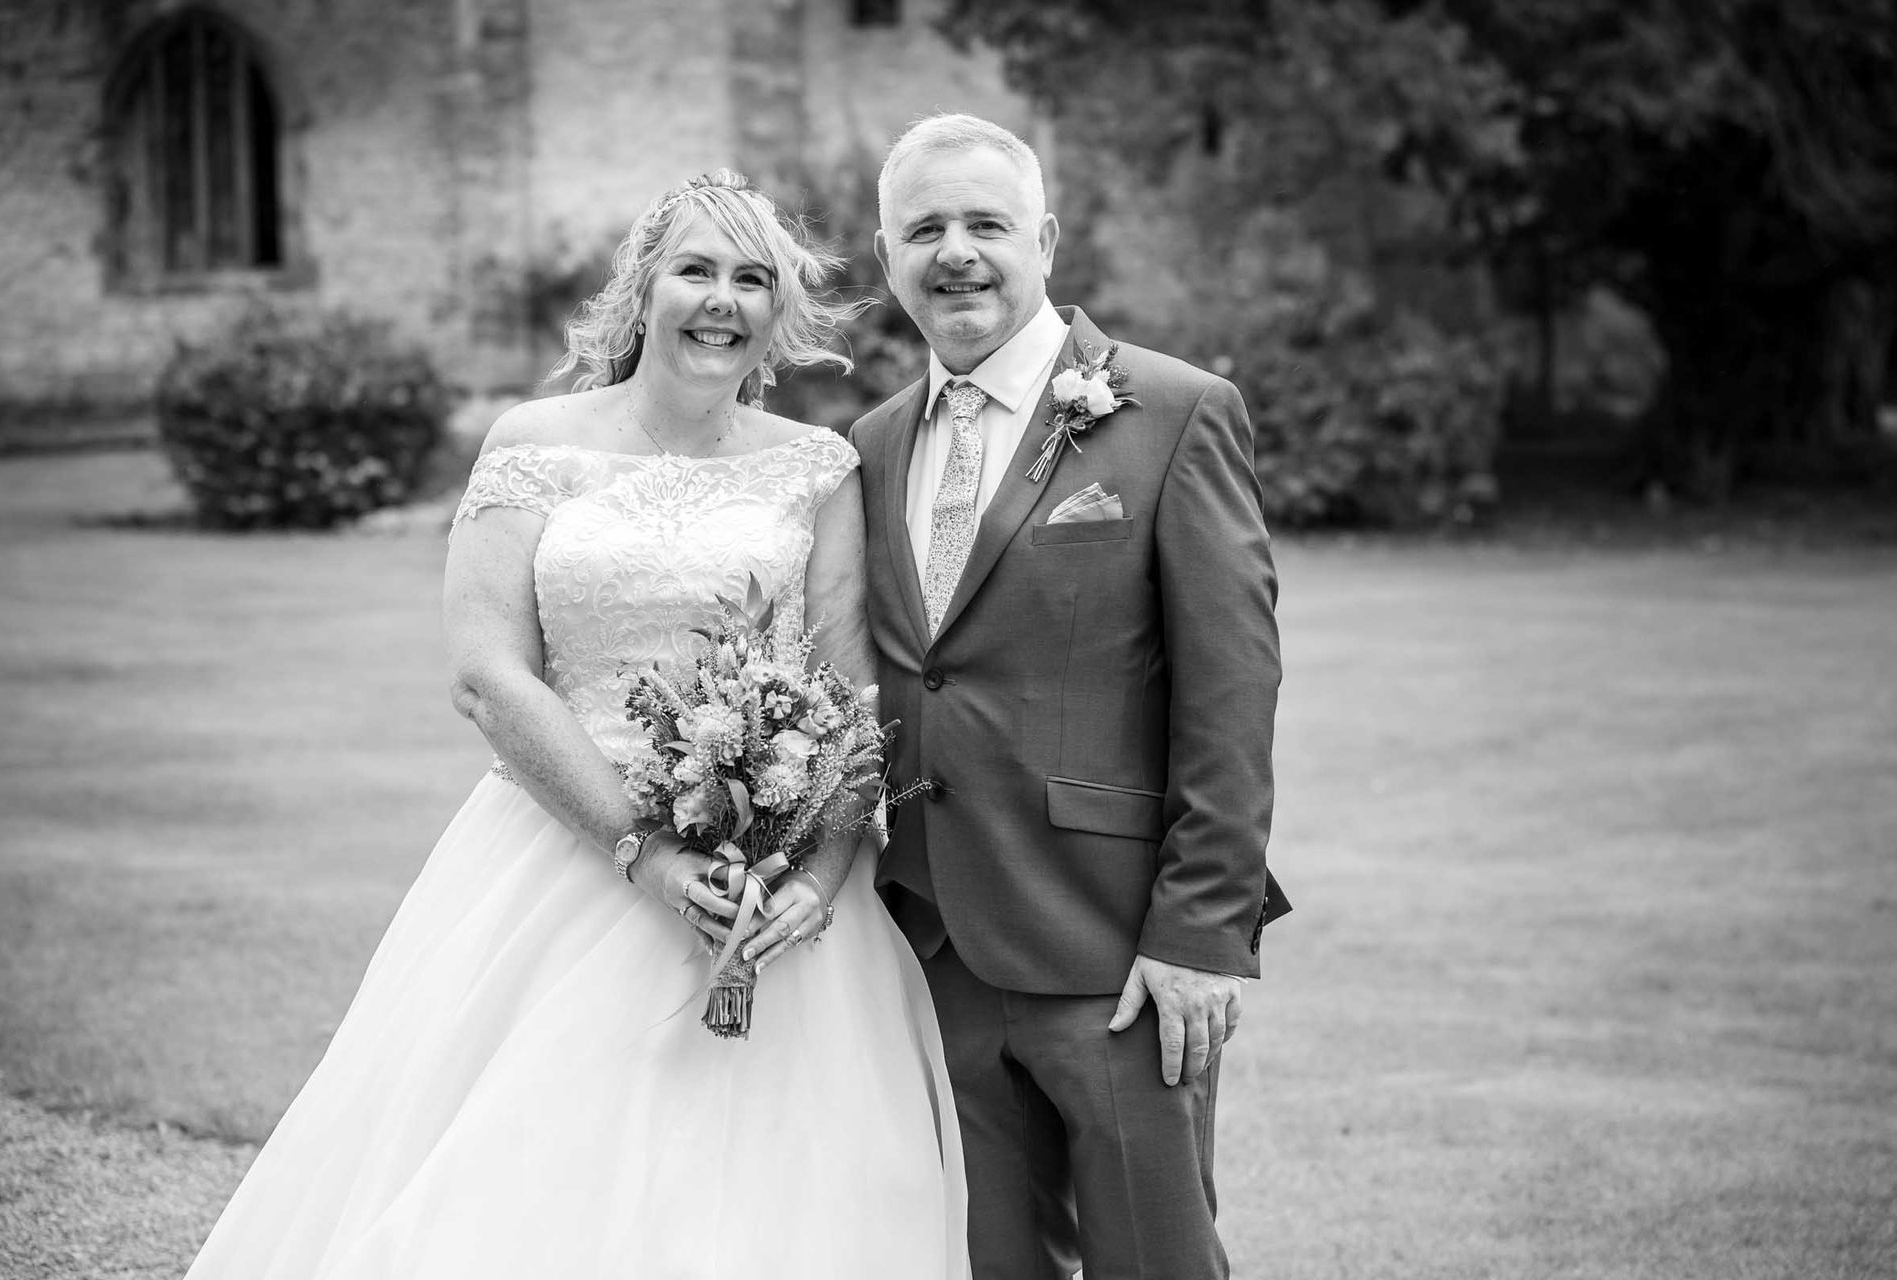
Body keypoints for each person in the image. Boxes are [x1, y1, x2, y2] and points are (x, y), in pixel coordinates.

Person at [185, 171, 969, 1280]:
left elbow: (849, 692)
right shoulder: (534, 440)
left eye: (752, 279)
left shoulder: (817, 465)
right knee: (516, 1178)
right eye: (696, 268)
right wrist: (641, 851)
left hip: (767, 887)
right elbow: (488, 674)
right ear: (643, 284)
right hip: (556, 854)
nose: (721, 300)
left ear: (776, 310)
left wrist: (819, 875)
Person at [851, 114, 1288, 1280]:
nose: (956, 252)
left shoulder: (1173, 410)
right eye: (924, 228)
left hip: (1114, 952)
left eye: (985, 222)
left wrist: (1201, 933)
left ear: (1043, 236)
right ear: (886, 253)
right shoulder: (875, 440)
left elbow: (1232, 691)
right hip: (932, 943)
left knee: (1157, 1261)